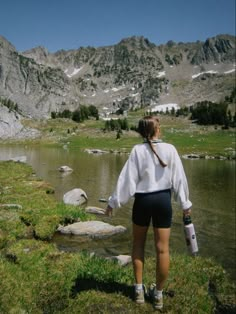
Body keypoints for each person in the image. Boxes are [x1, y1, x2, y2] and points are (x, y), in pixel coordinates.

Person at [105, 115, 192, 310]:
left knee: (138, 244)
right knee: (163, 249)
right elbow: (179, 180)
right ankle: (158, 295)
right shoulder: (170, 149)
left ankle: (138, 291)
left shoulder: (137, 150)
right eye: (159, 126)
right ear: (156, 130)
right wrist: (185, 203)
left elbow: (126, 181)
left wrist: (113, 202)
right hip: (163, 201)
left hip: (143, 201)